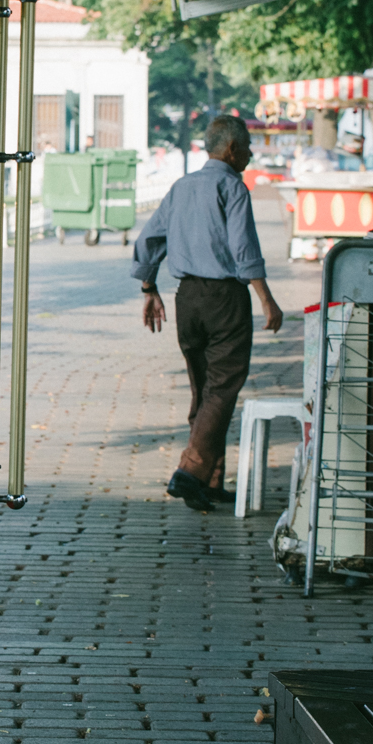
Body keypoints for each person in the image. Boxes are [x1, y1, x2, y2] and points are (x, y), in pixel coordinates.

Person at [130, 115, 283, 512]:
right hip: (224, 299)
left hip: (187, 299)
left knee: (204, 390)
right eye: (248, 147)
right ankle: (190, 473)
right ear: (232, 150)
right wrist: (267, 298)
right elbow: (243, 247)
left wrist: (149, 289)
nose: (250, 153)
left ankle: (210, 481)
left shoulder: (181, 187)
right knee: (223, 388)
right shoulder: (232, 186)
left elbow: (150, 238)